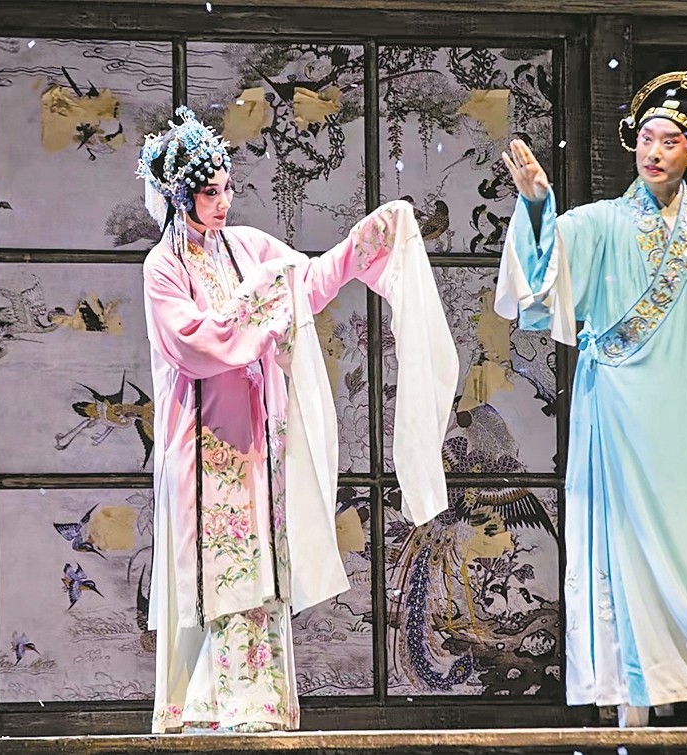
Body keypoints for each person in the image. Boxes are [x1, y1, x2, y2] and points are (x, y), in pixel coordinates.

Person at [496, 70, 687, 727]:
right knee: (622, 544)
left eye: (670, 141)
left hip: (679, 416)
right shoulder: (603, 223)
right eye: (646, 138)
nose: (654, 151)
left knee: (682, 544)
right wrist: (536, 206)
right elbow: (542, 278)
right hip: (614, 407)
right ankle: (633, 698)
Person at [138, 106, 457, 733]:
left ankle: (257, 701)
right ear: (180, 197)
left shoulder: (248, 247)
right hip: (202, 442)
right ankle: (209, 703)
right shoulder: (163, 267)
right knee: (218, 564)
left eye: (227, 188)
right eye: (210, 193)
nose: (224, 202)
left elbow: (304, 283)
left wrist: (363, 242)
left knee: (258, 564)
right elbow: (193, 344)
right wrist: (261, 306)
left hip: (256, 438)